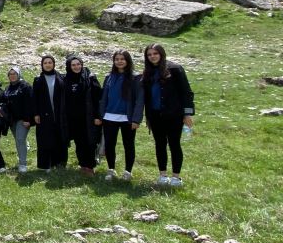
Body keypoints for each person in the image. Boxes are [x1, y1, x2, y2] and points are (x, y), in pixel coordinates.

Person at [142, 43, 195, 187]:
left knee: (174, 144)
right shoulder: (147, 72)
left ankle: (176, 177)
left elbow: (187, 92)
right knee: (159, 144)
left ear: (161, 54)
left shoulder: (175, 69)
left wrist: (187, 114)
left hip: (174, 115)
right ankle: (163, 175)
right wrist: (147, 116)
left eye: (155, 53)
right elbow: (146, 96)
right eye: (149, 54)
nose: (152, 57)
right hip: (155, 115)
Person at [96, 50, 144, 181]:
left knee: (128, 145)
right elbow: (103, 98)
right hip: (109, 117)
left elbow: (140, 100)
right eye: (117, 59)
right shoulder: (109, 77)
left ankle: (128, 171)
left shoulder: (136, 78)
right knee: (110, 145)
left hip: (127, 118)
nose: (119, 61)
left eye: (122, 59)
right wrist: (101, 115)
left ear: (128, 61)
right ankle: (111, 169)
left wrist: (136, 119)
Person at [64, 56, 103, 176]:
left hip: (89, 118)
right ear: (69, 67)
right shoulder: (66, 80)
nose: (76, 67)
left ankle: (90, 166)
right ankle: (82, 165)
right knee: (79, 142)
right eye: (73, 65)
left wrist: (98, 116)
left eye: (78, 64)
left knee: (90, 142)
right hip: (73, 118)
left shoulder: (90, 78)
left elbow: (98, 98)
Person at [32, 55, 68, 172]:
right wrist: (36, 114)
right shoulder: (38, 80)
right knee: (45, 139)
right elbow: (35, 99)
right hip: (43, 115)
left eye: (50, 62)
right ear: (42, 65)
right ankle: (45, 165)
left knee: (59, 138)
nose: (48, 65)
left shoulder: (61, 77)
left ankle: (59, 163)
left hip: (59, 114)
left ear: (54, 64)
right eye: (45, 63)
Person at [2, 66, 33, 172]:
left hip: (23, 119)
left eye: (14, 73)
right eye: (10, 74)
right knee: (19, 140)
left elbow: (29, 103)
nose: (12, 76)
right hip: (12, 120)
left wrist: (27, 119)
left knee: (20, 139)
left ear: (19, 74)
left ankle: (22, 164)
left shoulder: (25, 86)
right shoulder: (8, 88)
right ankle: (25, 147)